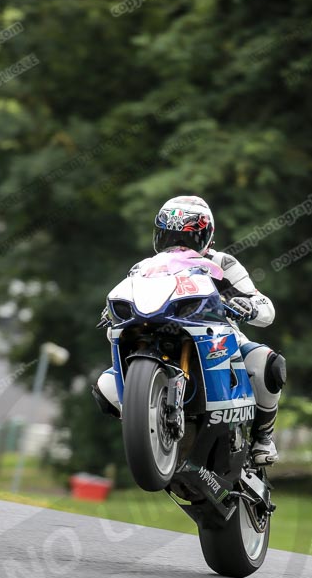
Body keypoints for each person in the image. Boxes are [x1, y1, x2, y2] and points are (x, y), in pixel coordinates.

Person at [93, 195, 286, 464]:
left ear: (206, 236)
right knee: (104, 387)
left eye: (186, 238)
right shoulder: (144, 269)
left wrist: (249, 306)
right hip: (156, 336)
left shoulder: (223, 263)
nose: (177, 246)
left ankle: (263, 437)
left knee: (268, 364)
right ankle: (149, 427)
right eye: (169, 236)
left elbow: (264, 306)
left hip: (218, 340)